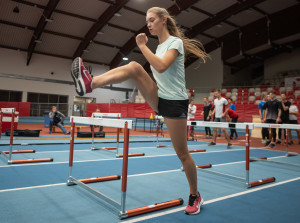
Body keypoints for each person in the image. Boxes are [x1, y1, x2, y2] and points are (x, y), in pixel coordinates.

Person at [70, 7, 209, 215]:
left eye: (152, 20)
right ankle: (89, 84)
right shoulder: (160, 46)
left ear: (163, 20)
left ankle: (195, 194)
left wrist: (143, 46)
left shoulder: (174, 43)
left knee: (182, 153)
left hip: (176, 103)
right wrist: (146, 49)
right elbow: (157, 69)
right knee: (134, 67)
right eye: (147, 22)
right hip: (160, 96)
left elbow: (161, 67)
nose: (149, 24)